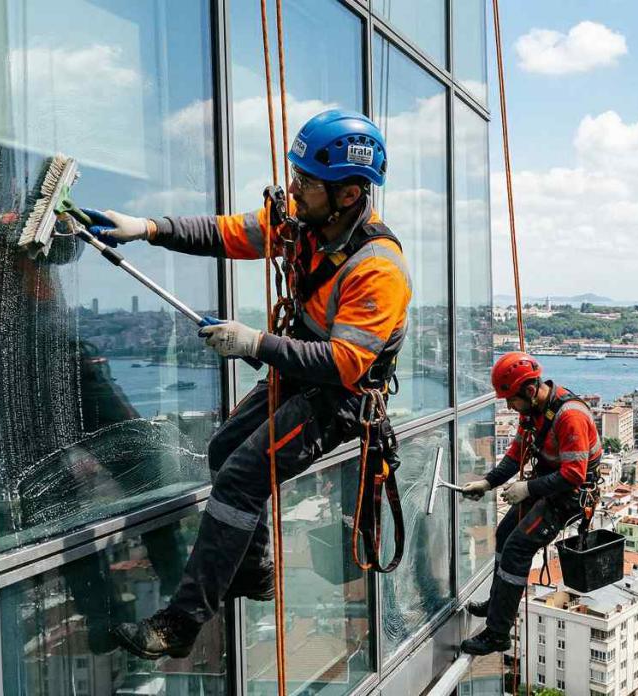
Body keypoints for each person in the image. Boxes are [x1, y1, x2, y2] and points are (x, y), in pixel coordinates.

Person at [90, 110, 412, 659]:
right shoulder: (302, 225)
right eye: (296, 173)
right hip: (299, 374)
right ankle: (257, 569)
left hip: (339, 397)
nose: (294, 188)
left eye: (307, 181)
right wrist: (147, 229)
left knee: (240, 477)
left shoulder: (377, 270)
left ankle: (181, 622)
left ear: (350, 194)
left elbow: (344, 364)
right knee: (223, 449)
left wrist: (254, 343)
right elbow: (226, 233)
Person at [457, 352, 602, 655]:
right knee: (504, 534)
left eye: (511, 399)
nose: (509, 406)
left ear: (530, 390)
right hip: (549, 482)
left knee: (517, 548)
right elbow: (516, 453)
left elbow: (573, 476)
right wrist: (487, 483)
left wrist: (527, 488)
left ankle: (497, 634)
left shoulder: (569, 417)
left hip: (570, 494)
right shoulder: (534, 411)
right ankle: (497, 603)